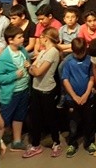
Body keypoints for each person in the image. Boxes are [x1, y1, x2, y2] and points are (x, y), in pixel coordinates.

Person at [23, 28, 61, 158]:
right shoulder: (43, 52)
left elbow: (37, 71)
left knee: (51, 117)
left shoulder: (53, 52)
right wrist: (32, 68)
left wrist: (31, 67)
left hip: (47, 90)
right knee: (35, 118)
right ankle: (35, 145)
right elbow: (33, 68)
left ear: (46, 38)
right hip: (36, 88)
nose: (39, 39)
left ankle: (56, 142)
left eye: (41, 37)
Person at [0, 25, 30, 150]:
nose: (22, 39)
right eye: (19, 37)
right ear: (10, 40)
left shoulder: (22, 51)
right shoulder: (4, 58)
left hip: (23, 90)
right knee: (4, 119)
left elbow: (27, 63)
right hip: (11, 93)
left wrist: (28, 65)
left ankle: (17, 141)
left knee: (19, 115)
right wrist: (13, 76)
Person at [60, 37, 96, 157]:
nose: (80, 55)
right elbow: (65, 80)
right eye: (77, 53)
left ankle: (90, 142)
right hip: (72, 99)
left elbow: (92, 78)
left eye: (82, 52)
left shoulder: (90, 60)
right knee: (73, 123)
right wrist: (74, 96)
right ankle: (72, 143)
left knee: (89, 121)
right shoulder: (68, 61)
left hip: (88, 97)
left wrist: (86, 94)